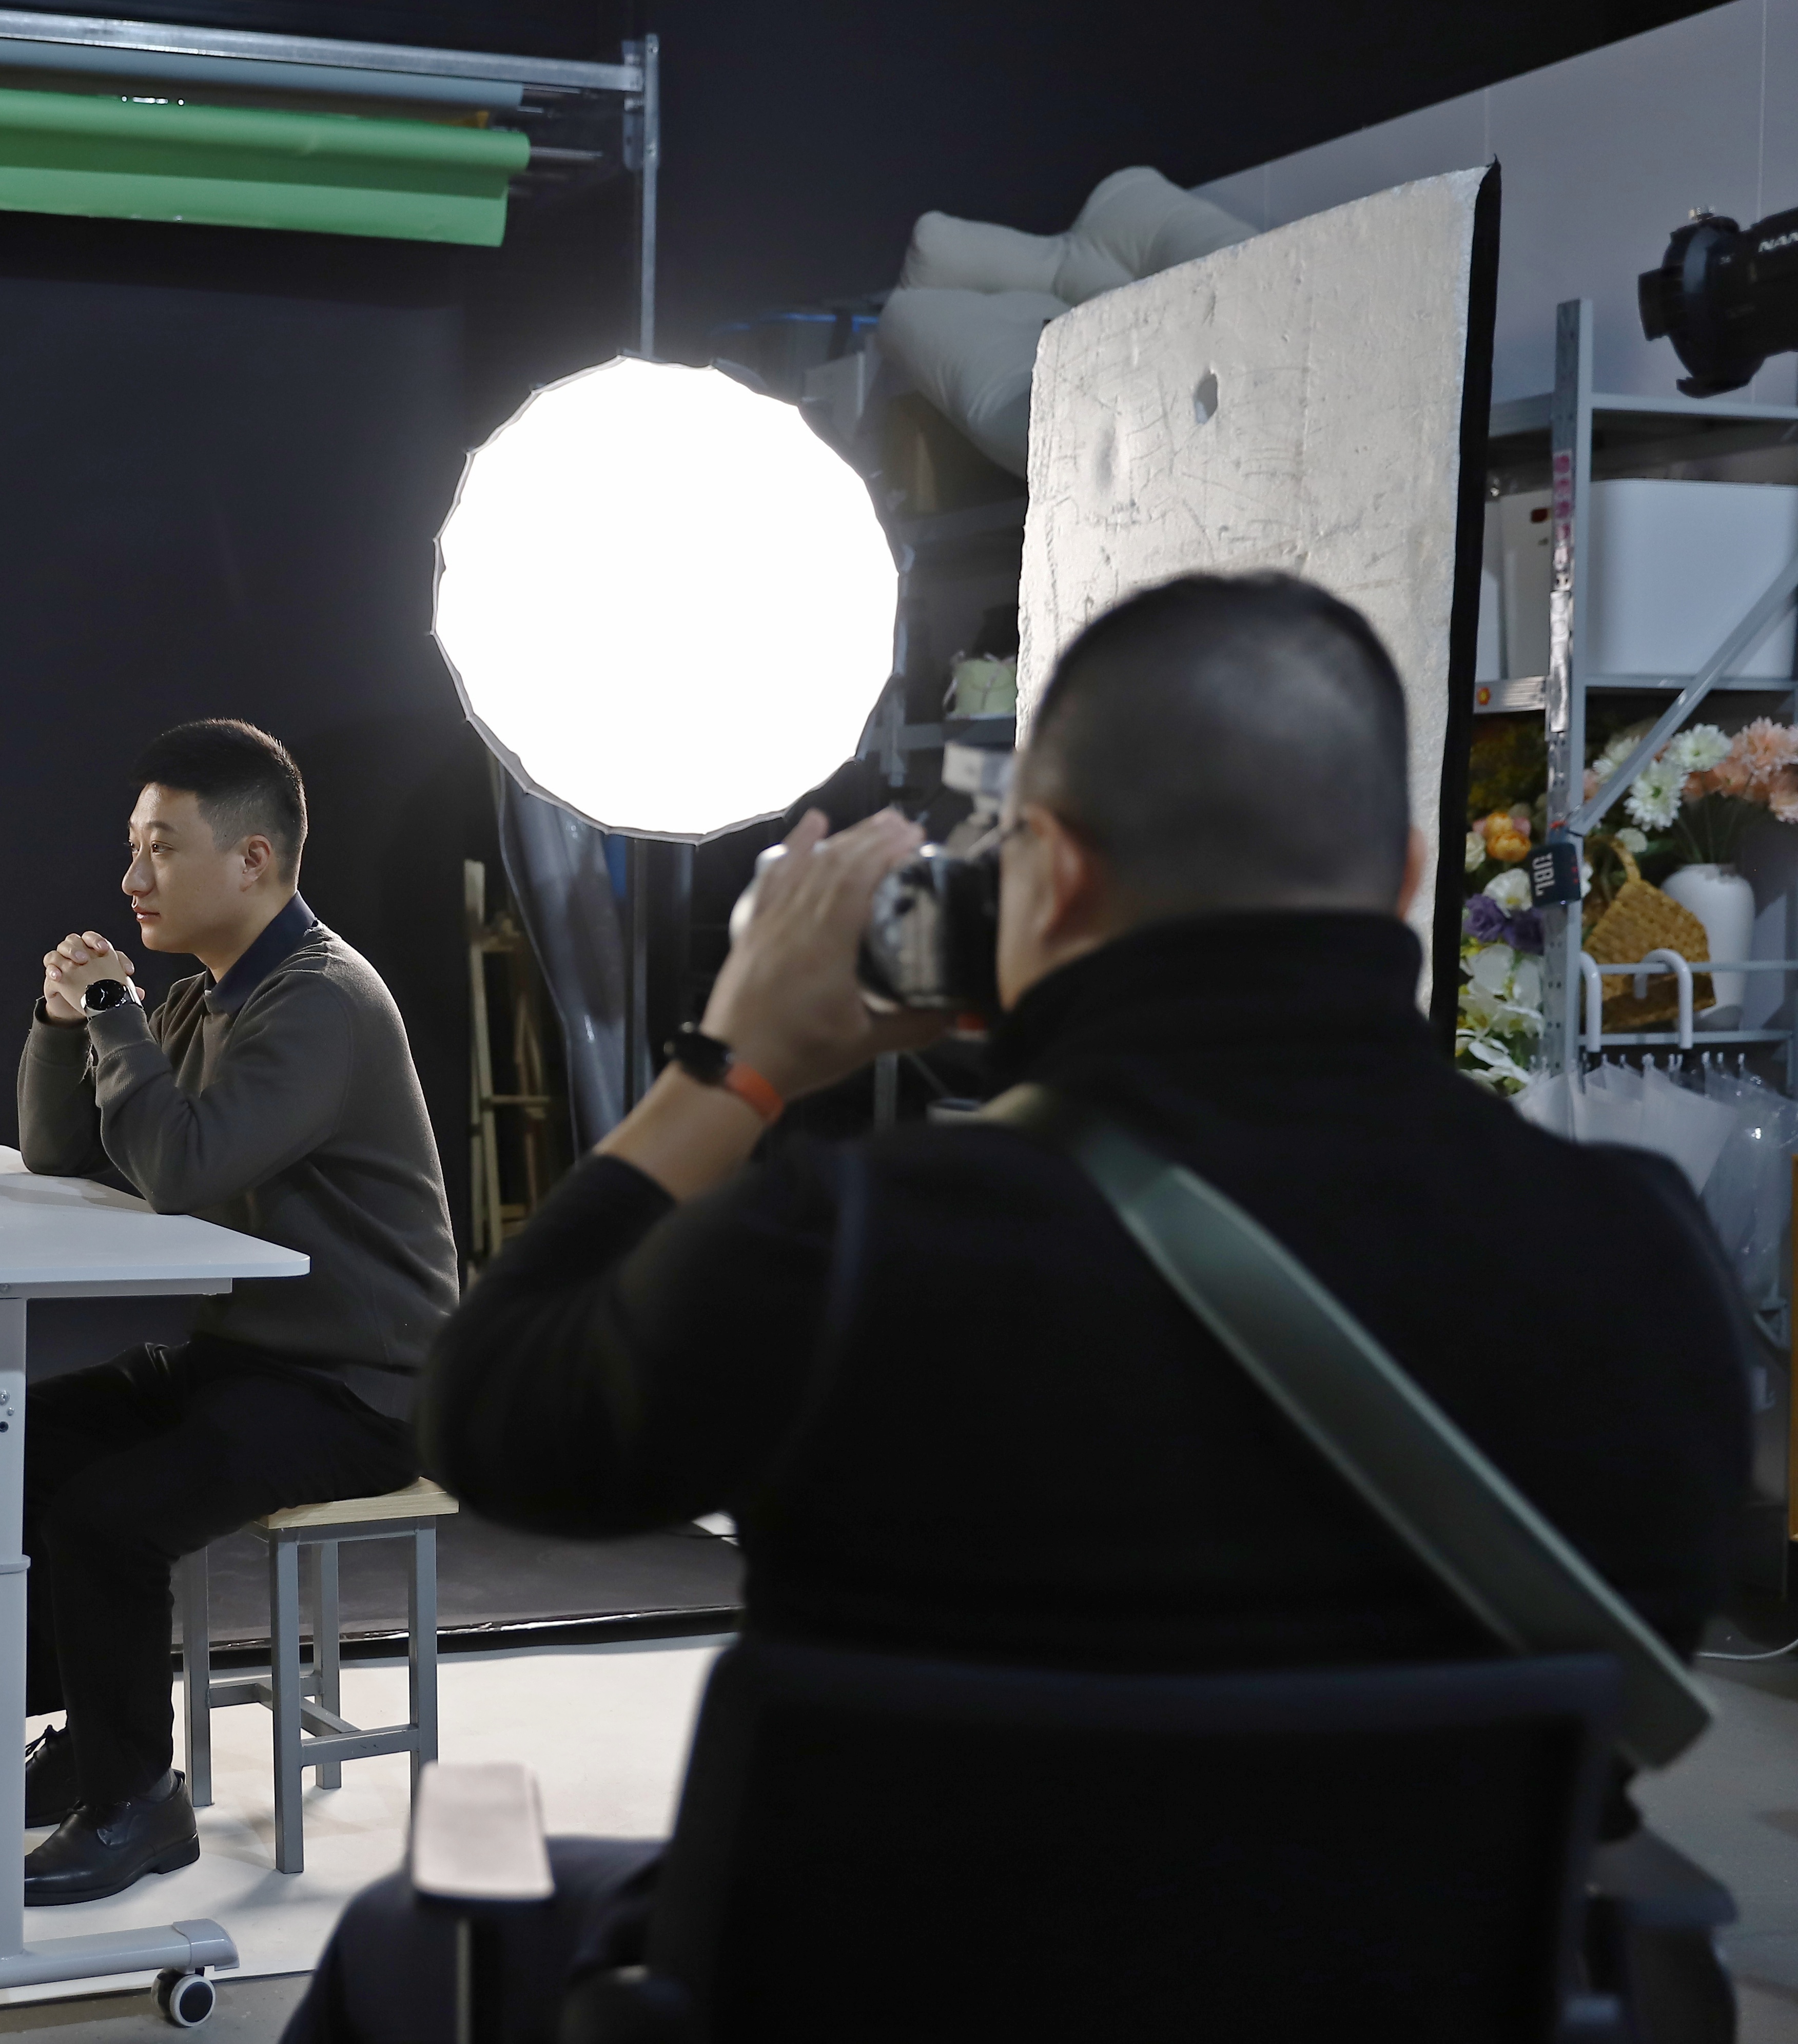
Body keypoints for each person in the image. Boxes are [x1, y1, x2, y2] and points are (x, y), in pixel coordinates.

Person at [287, 571, 1752, 2041]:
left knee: (407, 1932)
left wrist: (732, 1062)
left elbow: (488, 1414)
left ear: (1048, 871)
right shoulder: (1640, 1260)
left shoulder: (853, 1248)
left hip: (869, 2000)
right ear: (1410, 874)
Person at [0, 717, 460, 1904]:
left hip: (362, 1388)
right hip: (252, 1363)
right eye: (133, 846)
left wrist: (117, 1010)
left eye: (162, 848)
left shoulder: (321, 1000)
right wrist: (65, 1021)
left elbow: (181, 1167)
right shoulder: (207, 999)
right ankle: (91, 1738)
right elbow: (61, 1152)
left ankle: (139, 1805)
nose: (132, 877)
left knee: (108, 1520)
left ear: (253, 859)